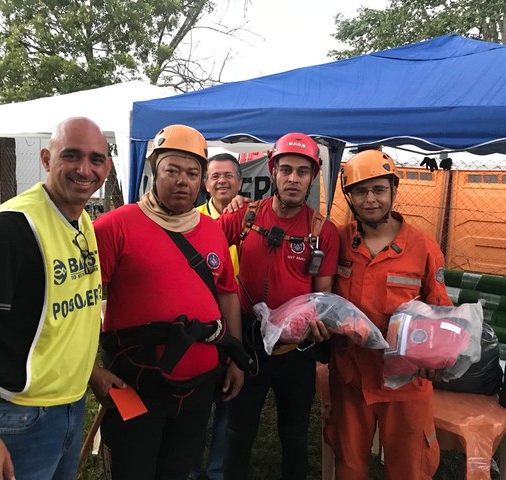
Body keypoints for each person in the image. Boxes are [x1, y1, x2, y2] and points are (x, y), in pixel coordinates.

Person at [0, 117, 119, 480]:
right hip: (16, 416)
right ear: (46, 159)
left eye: (96, 159)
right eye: (71, 155)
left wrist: (92, 374)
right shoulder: (9, 228)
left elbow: (66, 315)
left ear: (107, 167)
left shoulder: (81, 221)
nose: (84, 169)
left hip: (70, 406)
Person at [93, 124, 247, 480]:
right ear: (154, 171)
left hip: (197, 387)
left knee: (179, 469)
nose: (182, 181)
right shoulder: (114, 227)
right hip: (135, 382)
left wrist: (236, 357)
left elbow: (227, 293)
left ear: (201, 180)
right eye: (172, 171)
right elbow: (80, 304)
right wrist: (92, 372)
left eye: (192, 173)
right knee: (133, 470)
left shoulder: (211, 230)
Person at [218, 132, 340, 480]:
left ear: (313, 177)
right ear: (273, 171)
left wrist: (318, 324)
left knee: (294, 434)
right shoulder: (245, 216)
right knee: (239, 431)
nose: (293, 179)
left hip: (295, 349)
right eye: (286, 170)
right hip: (248, 343)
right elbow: (200, 243)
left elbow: (322, 296)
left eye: (303, 172)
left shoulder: (323, 232)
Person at [327, 149, 453, 479]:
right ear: (349, 196)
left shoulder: (422, 247)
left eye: (379, 189)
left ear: (393, 191)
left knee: (409, 468)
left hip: (405, 384)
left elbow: (440, 310)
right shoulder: (338, 241)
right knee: (349, 465)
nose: (370, 199)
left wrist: (436, 357)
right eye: (360, 191)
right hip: (351, 378)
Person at [189, 153, 243, 480]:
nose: (222, 181)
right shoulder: (190, 220)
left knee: (229, 400)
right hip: (201, 321)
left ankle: (218, 471)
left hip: (238, 317)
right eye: (215, 176)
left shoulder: (251, 217)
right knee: (194, 405)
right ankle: (189, 469)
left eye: (228, 175)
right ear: (205, 184)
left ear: (240, 181)